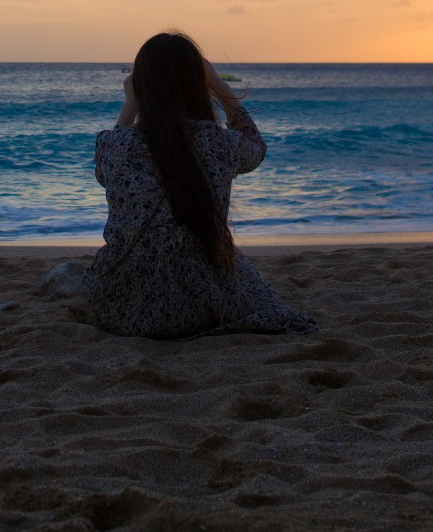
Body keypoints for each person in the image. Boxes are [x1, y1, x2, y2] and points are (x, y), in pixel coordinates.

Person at [80, 31, 316, 338]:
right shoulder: (219, 142)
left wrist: (131, 102)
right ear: (197, 83)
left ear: (141, 86)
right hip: (203, 307)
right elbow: (256, 148)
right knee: (238, 268)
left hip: (123, 307)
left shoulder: (117, 145)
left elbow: (104, 170)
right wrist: (219, 86)